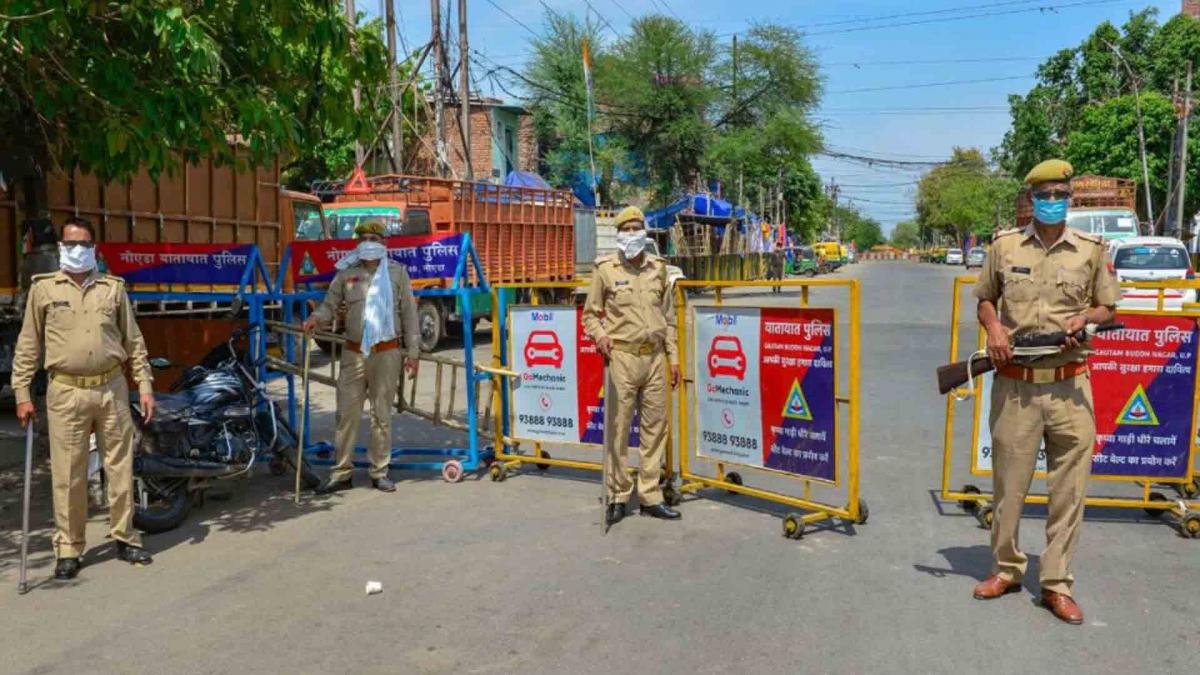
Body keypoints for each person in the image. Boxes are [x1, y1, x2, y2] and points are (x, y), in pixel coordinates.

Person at [970, 159, 1121, 624]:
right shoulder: (1004, 246)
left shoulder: (1091, 250)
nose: (1053, 202)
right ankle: (1007, 569)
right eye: (1044, 195)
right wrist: (994, 329)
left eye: (1060, 194)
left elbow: (1108, 308)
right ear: (1030, 199)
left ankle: (1056, 583)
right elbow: (985, 299)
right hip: (1016, 387)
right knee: (1008, 489)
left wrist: (1086, 320)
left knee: (1069, 492)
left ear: (1069, 199)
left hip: (1071, 387)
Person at [11, 216, 156, 579]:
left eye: (84, 244)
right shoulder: (44, 289)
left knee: (119, 467)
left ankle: (125, 536)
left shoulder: (112, 289)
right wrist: (22, 392)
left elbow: (133, 341)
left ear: (95, 248)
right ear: (61, 247)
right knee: (68, 474)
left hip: (111, 388)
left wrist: (145, 383)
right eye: (71, 244)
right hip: (66, 391)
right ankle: (69, 547)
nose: (77, 250)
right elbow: (28, 345)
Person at [582, 205, 683, 526]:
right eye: (626, 229)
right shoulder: (605, 269)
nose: (631, 234)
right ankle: (617, 495)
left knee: (655, 430)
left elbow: (668, 319)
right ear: (618, 235)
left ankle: (651, 494)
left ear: (645, 232)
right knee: (618, 429)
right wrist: (600, 337)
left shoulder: (659, 269)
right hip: (622, 357)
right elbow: (589, 315)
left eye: (636, 228)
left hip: (654, 357)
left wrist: (674, 357)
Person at [303, 219, 419, 493]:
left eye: (374, 238)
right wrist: (314, 319)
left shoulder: (397, 273)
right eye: (364, 238)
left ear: (383, 243)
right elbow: (329, 306)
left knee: (382, 414)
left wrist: (413, 353)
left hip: (387, 352)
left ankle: (379, 471)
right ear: (358, 243)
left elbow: (410, 316)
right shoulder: (347, 274)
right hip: (353, 353)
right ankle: (342, 472)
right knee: (346, 414)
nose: (369, 242)